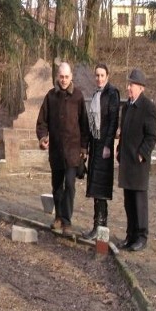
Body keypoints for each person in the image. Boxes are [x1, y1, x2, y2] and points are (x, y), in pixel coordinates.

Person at [36, 62, 90, 235]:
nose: (64, 80)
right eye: (61, 77)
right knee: (57, 186)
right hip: (56, 152)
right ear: (57, 77)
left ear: (71, 77)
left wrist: (83, 148)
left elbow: (84, 125)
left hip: (73, 152)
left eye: (67, 77)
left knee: (70, 186)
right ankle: (58, 218)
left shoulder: (78, 97)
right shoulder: (51, 96)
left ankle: (67, 221)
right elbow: (42, 121)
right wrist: (43, 138)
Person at [116, 68, 156, 252]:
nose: (128, 88)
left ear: (140, 87)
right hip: (126, 162)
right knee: (128, 202)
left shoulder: (148, 107)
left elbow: (151, 136)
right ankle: (130, 235)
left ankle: (141, 236)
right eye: (128, 84)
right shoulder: (126, 107)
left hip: (138, 163)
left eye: (131, 85)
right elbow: (123, 133)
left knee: (139, 202)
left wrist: (142, 153)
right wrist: (119, 150)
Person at [82, 64, 120, 241]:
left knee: (101, 189)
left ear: (108, 76)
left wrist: (108, 145)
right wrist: (88, 146)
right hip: (95, 145)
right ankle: (96, 225)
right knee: (95, 188)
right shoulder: (96, 94)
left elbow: (113, 121)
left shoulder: (112, 93)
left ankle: (102, 226)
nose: (99, 78)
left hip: (104, 146)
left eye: (102, 75)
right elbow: (91, 124)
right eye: (96, 75)